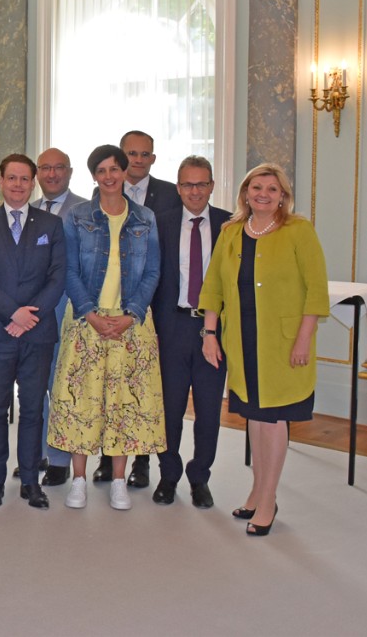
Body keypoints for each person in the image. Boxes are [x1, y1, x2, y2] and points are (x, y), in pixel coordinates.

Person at [199, 163, 329, 536]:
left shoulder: (298, 231)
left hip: (285, 344)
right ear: (245, 193)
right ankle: (257, 491)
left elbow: (316, 290)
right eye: (257, 187)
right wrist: (209, 333)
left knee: (272, 420)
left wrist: (304, 339)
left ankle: (268, 499)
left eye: (273, 189)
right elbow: (213, 288)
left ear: (283, 196)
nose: (264, 194)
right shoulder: (232, 232)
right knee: (255, 419)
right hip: (242, 341)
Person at [49, 144, 165, 511]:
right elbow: (67, 270)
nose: (110, 176)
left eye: (116, 169)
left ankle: (118, 480)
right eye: (102, 170)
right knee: (81, 402)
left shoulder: (145, 217)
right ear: (94, 176)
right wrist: (90, 313)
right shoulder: (78, 216)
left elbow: (152, 271)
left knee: (124, 405)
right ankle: (79, 479)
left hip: (131, 324)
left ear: (125, 170)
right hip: (87, 322)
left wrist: (131, 314)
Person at [0, 154, 66, 509]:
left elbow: (58, 276)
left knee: (33, 411)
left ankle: (30, 482)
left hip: (37, 334)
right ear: (1, 180)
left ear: (34, 182)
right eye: (12, 178)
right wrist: (12, 313)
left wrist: (29, 316)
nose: (19, 185)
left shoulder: (51, 225)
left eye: (26, 179)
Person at [94, 130, 181, 487]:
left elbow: (165, 258)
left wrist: (138, 307)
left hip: (153, 307)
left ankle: (141, 461)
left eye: (145, 154)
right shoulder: (99, 197)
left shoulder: (171, 195)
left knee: (140, 388)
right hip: (107, 309)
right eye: (132, 153)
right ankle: (106, 458)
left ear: (154, 158)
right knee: (105, 385)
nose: (138, 160)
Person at [149, 156, 230, 509]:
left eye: (201, 184)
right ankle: (168, 475)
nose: (194, 191)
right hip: (172, 325)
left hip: (215, 329)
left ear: (211, 185)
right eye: (186, 184)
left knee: (210, 410)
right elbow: (152, 276)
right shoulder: (161, 223)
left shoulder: (229, 224)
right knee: (169, 407)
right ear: (178, 187)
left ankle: (200, 477)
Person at [33, 147, 81, 487]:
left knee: (63, 389)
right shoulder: (26, 208)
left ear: (70, 172)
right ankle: (34, 453)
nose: (52, 174)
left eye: (58, 168)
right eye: (45, 168)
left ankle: (61, 459)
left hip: (70, 313)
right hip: (32, 314)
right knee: (34, 389)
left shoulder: (85, 210)